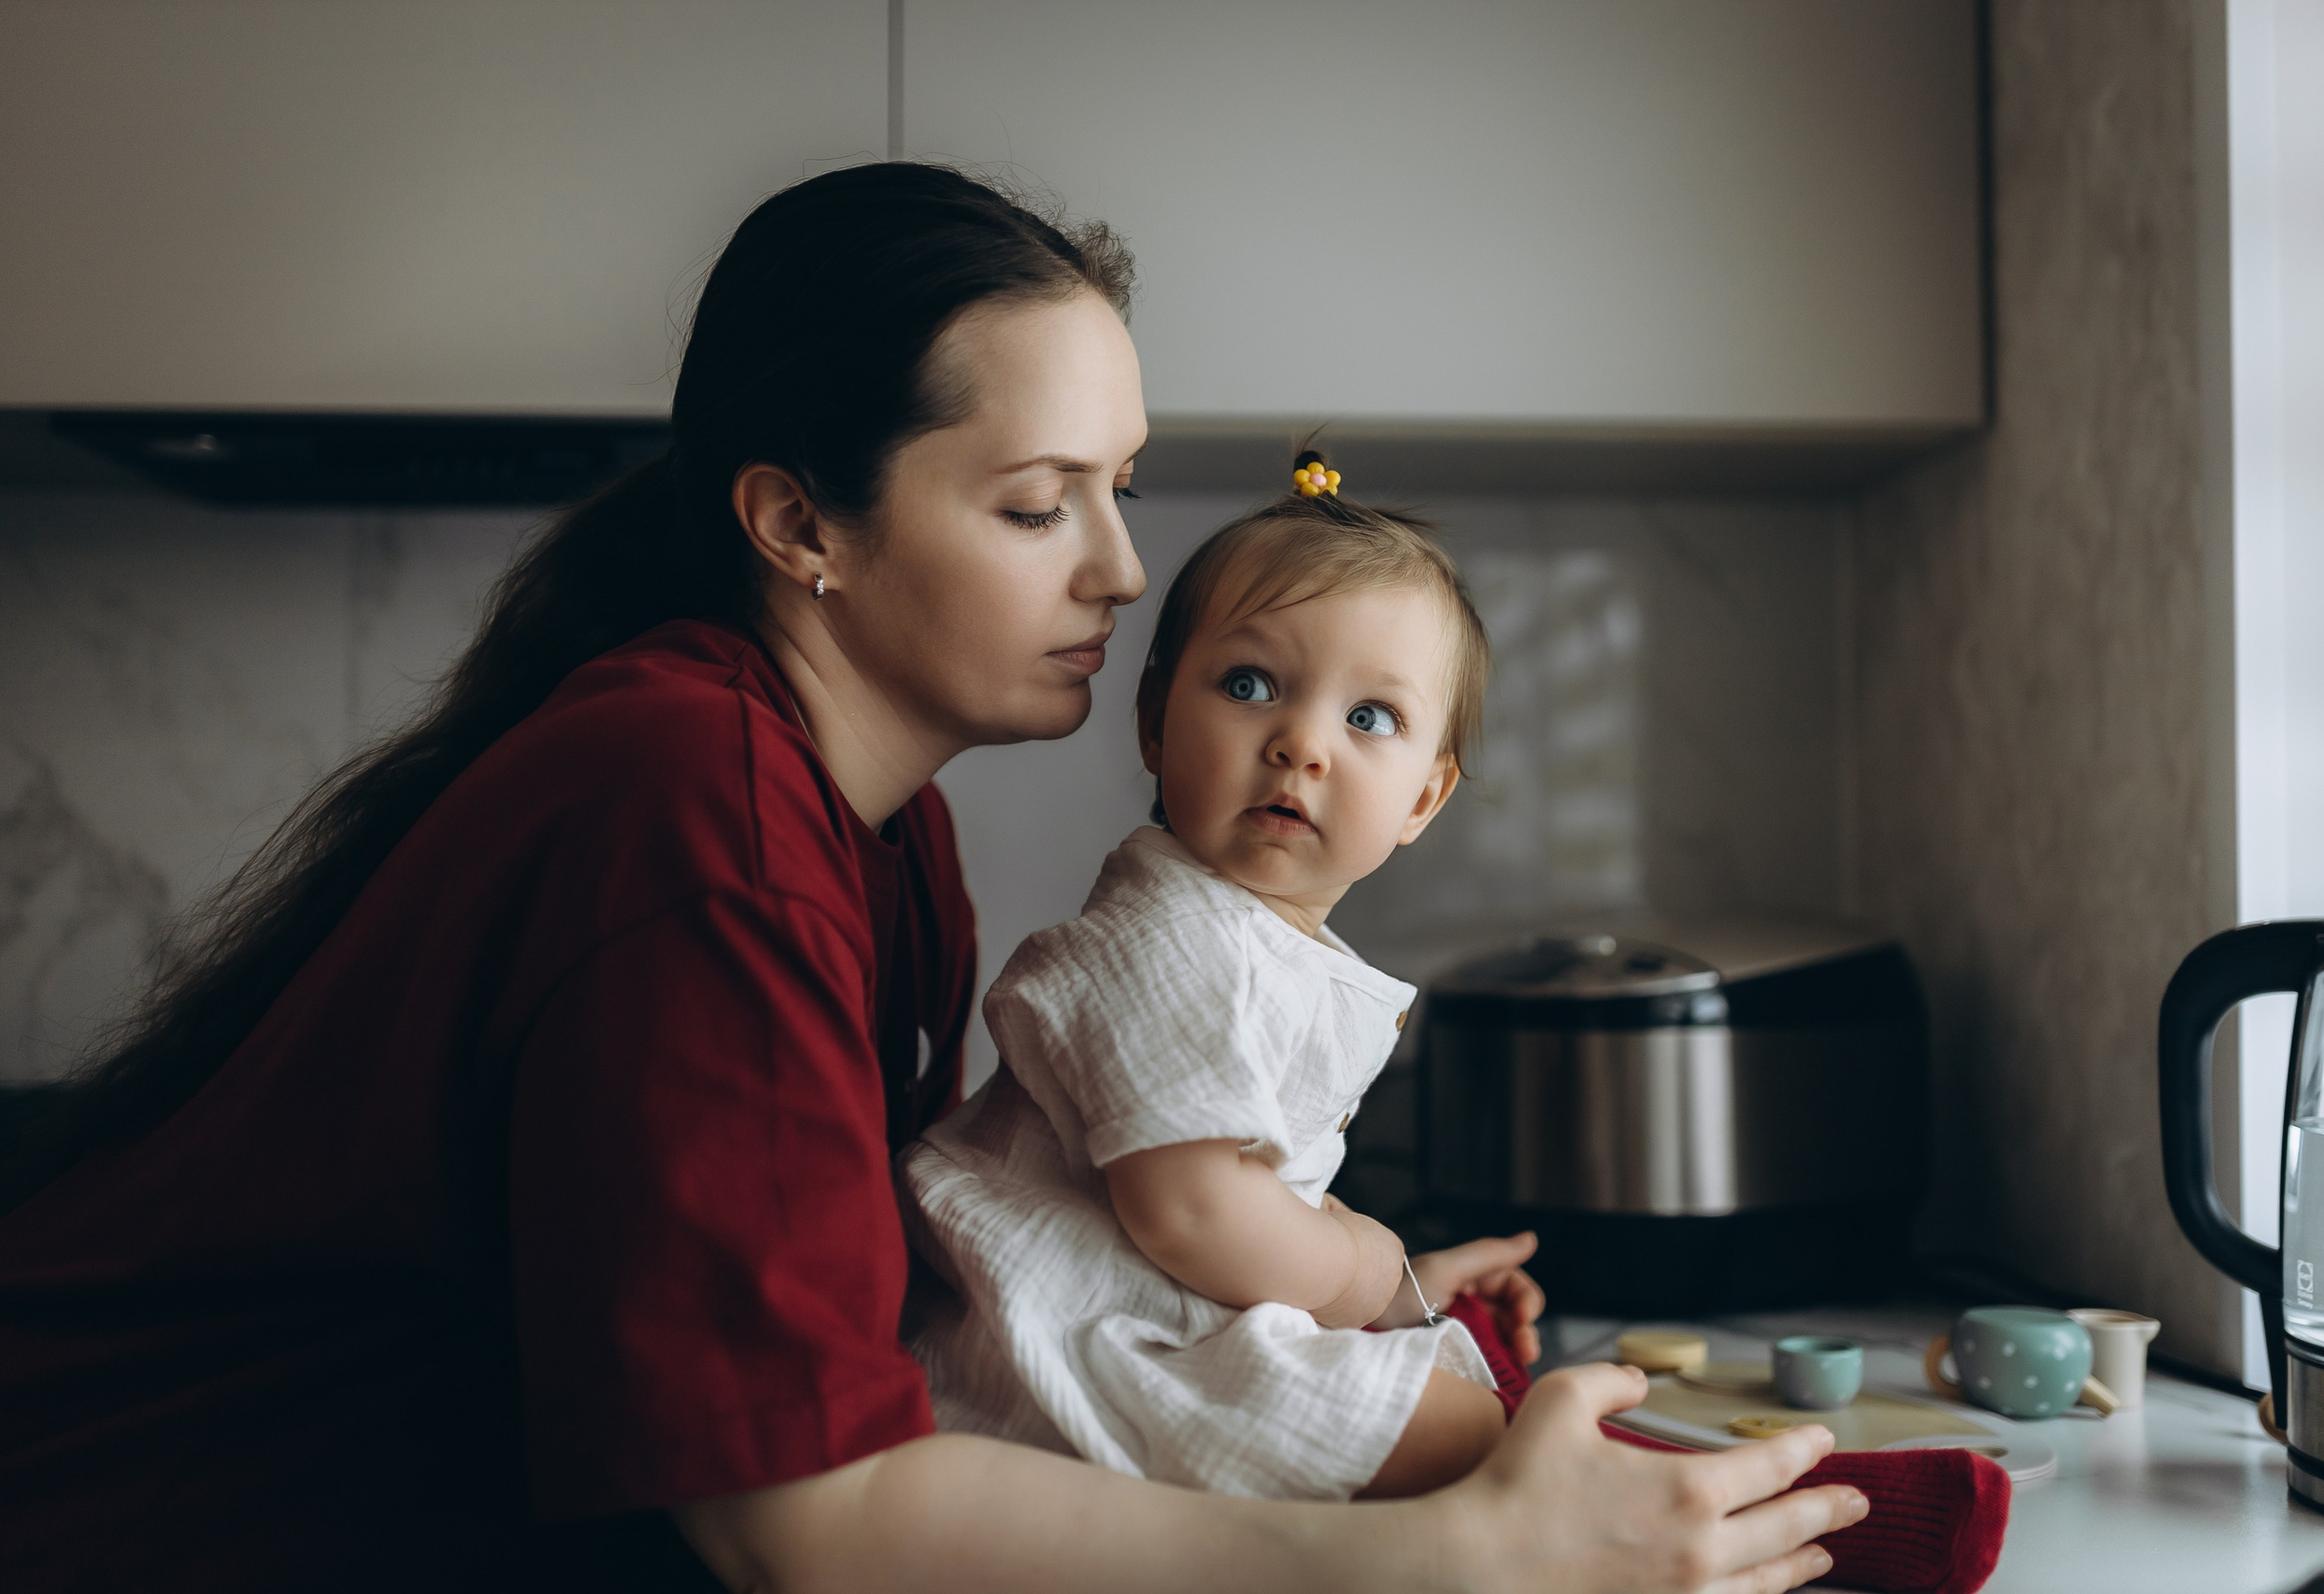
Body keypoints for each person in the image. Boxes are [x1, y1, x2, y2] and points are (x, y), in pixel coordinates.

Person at [0, 163, 1865, 1592]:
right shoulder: (697, 815)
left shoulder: (880, 832)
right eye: (1038, 501)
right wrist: (1437, 1557)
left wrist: (1325, 1320)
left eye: (1121, 488)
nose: (1123, 573)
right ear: (800, 523)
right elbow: (801, 1524)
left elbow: (949, 1295)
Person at [905, 480, 1535, 1501]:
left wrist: (1396, 1284)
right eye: (1249, 684)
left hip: (1143, 1311)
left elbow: (1246, 1178)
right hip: (1067, 1345)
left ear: (1423, 794)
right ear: (1154, 721)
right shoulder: (1174, 937)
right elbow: (1194, 1209)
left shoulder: (1248, 937)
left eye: (1369, 714)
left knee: (1459, 1399)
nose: (1302, 742)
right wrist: (1363, 1273)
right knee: (1472, 1426)